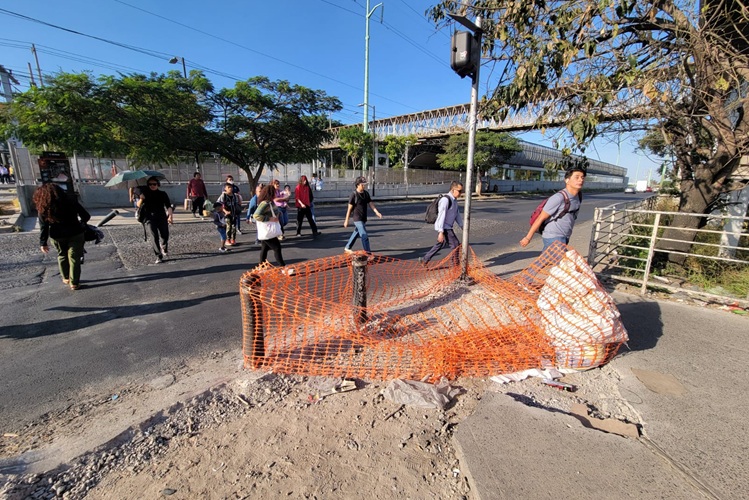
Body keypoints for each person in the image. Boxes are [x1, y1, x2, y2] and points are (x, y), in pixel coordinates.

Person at [33, 183, 91, 290]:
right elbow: (86, 216)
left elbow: (43, 227)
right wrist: (81, 223)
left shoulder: (44, 207)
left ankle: (66, 277)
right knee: (74, 257)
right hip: (75, 232)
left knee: (62, 255)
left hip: (57, 235)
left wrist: (43, 242)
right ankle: (74, 282)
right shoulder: (71, 201)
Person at [520, 166, 586, 251]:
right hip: (554, 237)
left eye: (582, 177)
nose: (580, 180)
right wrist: (527, 238)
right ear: (567, 180)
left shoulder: (578, 196)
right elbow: (541, 218)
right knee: (556, 262)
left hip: (565, 236)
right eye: (577, 177)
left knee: (548, 263)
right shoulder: (559, 198)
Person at [420, 181, 464, 266]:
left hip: (447, 226)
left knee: (440, 244)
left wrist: (462, 225)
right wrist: (441, 231)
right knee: (456, 245)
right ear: (453, 190)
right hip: (445, 227)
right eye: (459, 191)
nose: (460, 193)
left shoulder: (454, 200)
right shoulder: (445, 200)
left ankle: (425, 259)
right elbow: (441, 216)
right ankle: (455, 266)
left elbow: (456, 214)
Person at [138, 176, 173, 264]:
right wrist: (141, 198)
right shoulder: (145, 194)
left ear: (158, 184)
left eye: (154, 184)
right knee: (154, 237)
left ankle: (164, 246)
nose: (152, 186)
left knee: (165, 235)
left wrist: (170, 216)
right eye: (150, 184)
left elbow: (168, 205)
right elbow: (138, 205)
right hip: (149, 218)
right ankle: (158, 256)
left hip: (161, 217)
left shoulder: (163, 194)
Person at [343, 176, 382, 254]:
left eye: (365, 184)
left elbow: (371, 204)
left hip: (363, 218)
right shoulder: (353, 195)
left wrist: (377, 212)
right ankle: (368, 253)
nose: (364, 186)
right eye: (362, 184)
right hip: (357, 218)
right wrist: (346, 220)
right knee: (364, 235)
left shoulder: (366, 194)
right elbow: (349, 209)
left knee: (356, 232)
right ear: (358, 185)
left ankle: (347, 247)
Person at [253, 183, 287, 267]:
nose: (276, 193)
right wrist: (269, 219)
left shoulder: (270, 202)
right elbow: (256, 215)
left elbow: (273, 211)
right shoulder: (265, 203)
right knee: (277, 248)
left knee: (264, 248)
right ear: (270, 193)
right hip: (268, 229)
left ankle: (261, 266)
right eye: (274, 192)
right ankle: (283, 267)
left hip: (268, 230)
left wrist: (278, 214)